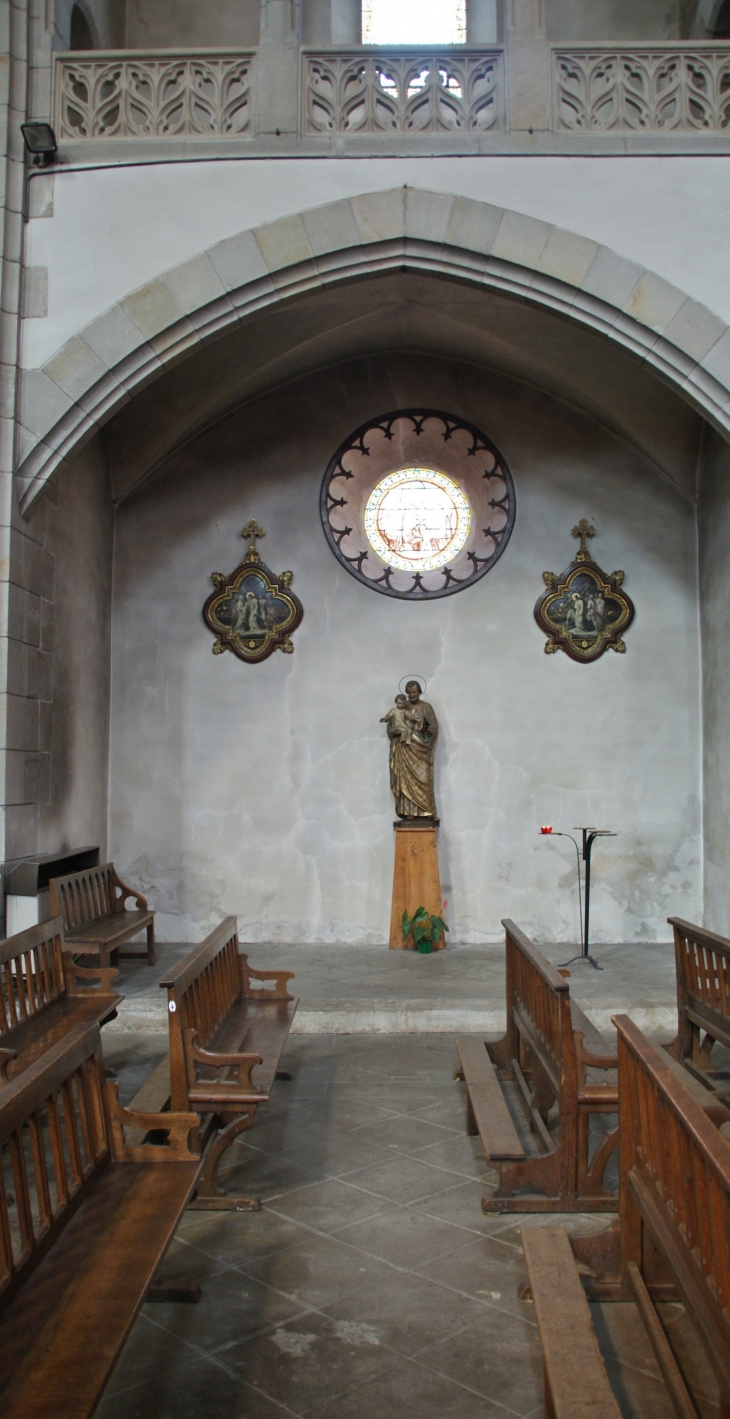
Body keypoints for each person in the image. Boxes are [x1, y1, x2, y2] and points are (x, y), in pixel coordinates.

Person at [382, 680, 439, 820]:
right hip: (403, 746)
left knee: (425, 777)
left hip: (420, 747)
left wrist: (431, 730)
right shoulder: (400, 707)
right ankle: (409, 812)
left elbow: (434, 726)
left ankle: (428, 811)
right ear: (406, 693)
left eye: (414, 692)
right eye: (409, 692)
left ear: (419, 691)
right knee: (404, 780)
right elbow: (391, 727)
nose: (412, 694)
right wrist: (393, 731)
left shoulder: (427, 707)